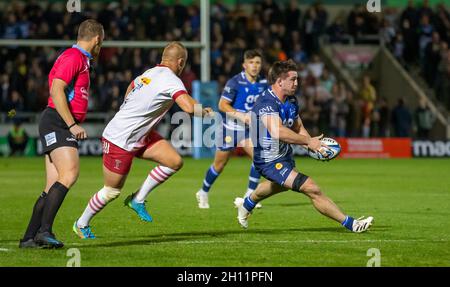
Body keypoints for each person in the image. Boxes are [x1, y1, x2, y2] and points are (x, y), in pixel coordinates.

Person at [73, 42, 213, 239]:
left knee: (174, 161)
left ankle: (138, 199)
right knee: (111, 191)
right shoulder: (171, 80)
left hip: (138, 134)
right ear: (180, 62)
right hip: (120, 139)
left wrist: (128, 109)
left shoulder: (149, 73)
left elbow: (131, 86)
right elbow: (189, 108)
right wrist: (205, 112)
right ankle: (81, 223)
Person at [234, 59, 373, 233]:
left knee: (278, 186)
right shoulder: (266, 103)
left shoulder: (291, 100)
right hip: (268, 160)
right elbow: (278, 132)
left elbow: (297, 126)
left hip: (284, 155)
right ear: (280, 81)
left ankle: (246, 204)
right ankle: (352, 224)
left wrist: (315, 146)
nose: (297, 83)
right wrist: (308, 142)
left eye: (297, 79)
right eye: (293, 79)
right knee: (311, 188)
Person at [19, 20, 104, 249]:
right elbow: (56, 89)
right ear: (96, 39)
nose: (101, 46)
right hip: (58, 121)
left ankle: (29, 237)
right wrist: (72, 124)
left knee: (52, 184)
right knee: (70, 173)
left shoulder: (79, 59)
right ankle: (44, 232)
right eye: (101, 42)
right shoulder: (74, 57)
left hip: (55, 121)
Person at [196, 50, 268, 209]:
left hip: (249, 130)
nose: (254, 66)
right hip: (230, 129)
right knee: (219, 165)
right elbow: (222, 105)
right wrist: (241, 115)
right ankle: (203, 191)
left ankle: (249, 194)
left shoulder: (263, 83)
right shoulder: (235, 82)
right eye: (251, 62)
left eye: (257, 63)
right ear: (244, 65)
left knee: (259, 157)